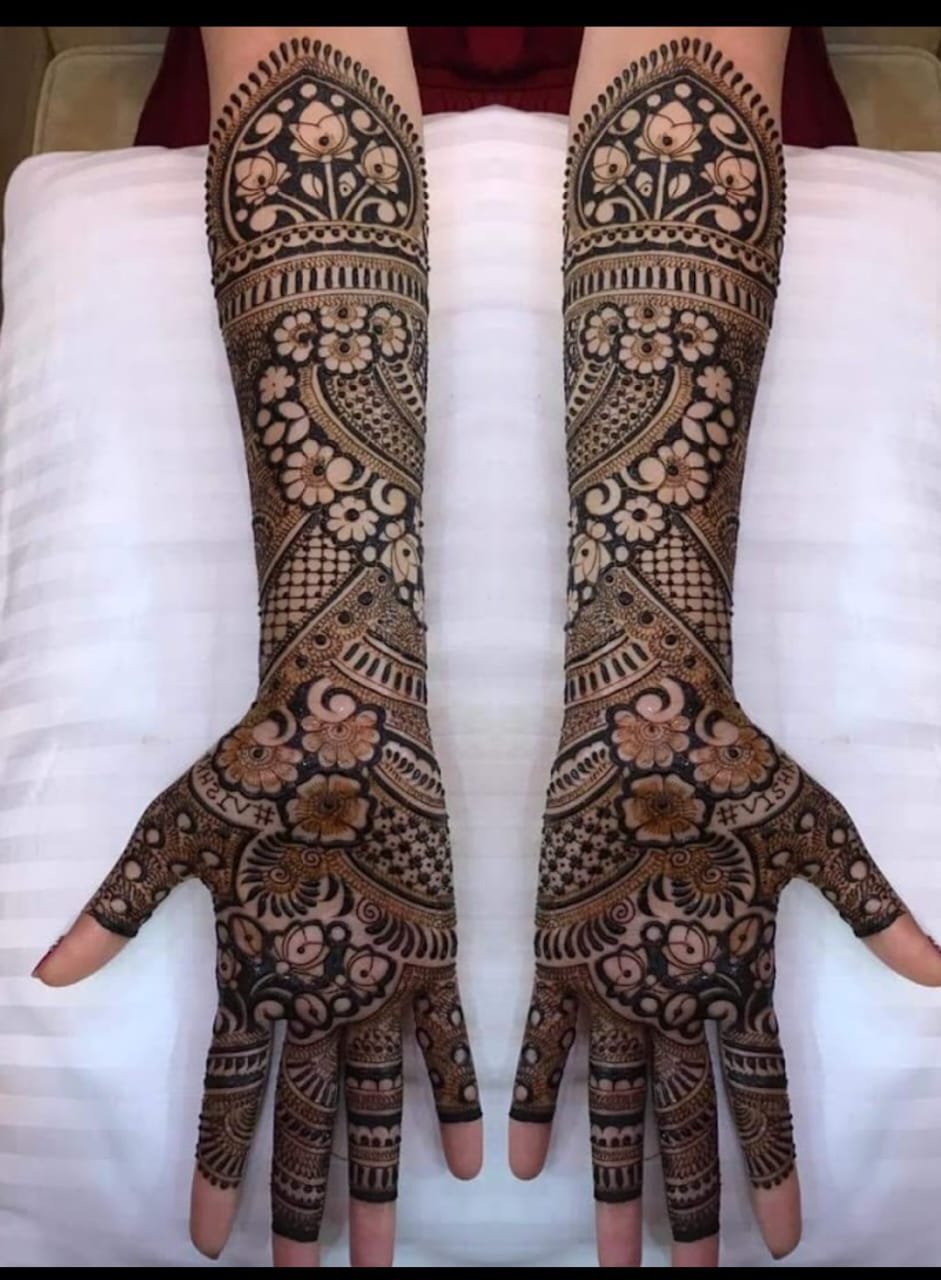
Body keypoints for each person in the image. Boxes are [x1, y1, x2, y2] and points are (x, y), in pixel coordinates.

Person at [33, 25, 941, 1270]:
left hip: (717, 152)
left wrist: (651, 676)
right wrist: (332, 667)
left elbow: (687, 75)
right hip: (268, 140)